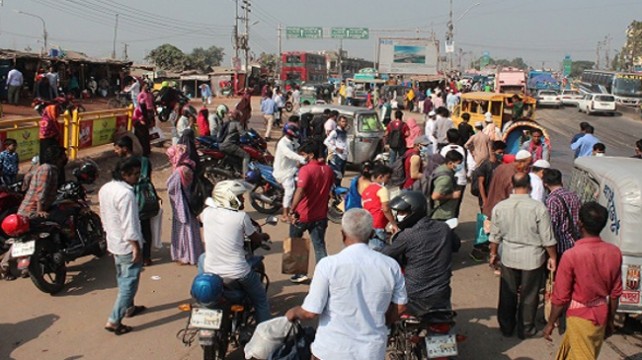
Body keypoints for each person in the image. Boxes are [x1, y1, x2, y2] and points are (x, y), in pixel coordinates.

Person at [286, 209, 407, 360]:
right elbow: (401, 306)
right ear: (371, 234)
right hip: (371, 352)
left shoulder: (328, 265)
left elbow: (311, 312)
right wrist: (379, 321)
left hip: (331, 351)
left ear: (343, 234)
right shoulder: (390, 266)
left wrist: (294, 312)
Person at [543, 202, 623, 359]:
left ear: (579, 223)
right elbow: (615, 293)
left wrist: (551, 322)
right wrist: (610, 320)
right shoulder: (614, 253)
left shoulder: (571, 255)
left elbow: (560, 297)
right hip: (601, 314)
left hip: (579, 317)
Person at [489, 172, 557, 339]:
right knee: (529, 295)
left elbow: (495, 235)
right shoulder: (538, 208)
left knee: (507, 293)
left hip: (509, 256)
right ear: (530, 186)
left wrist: (492, 254)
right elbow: (547, 238)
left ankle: (506, 326)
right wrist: (553, 257)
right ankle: (526, 328)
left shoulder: (500, 207)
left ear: (512, 185)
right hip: (532, 258)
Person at [200, 180, 270, 323]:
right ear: (228, 198)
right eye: (239, 197)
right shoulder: (241, 217)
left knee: (202, 257)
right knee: (261, 300)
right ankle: (265, 335)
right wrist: (263, 236)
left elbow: (200, 221)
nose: (243, 199)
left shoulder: (206, 213)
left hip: (212, 271)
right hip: (238, 273)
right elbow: (255, 238)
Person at [382, 191, 455, 316]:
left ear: (414, 211)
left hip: (414, 293)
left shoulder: (407, 235)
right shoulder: (444, 228)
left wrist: (370, 251)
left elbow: (385, 254)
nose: (399, 216)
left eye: (402, 212)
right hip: (442, 292)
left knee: (384, 308)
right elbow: (456, 244)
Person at [100, 157, 145, 336]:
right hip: (127, 244)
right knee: (129, 282)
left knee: (122, 276)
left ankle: (129, 307)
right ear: (124, 174)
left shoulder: (106, 188)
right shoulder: (126, 194)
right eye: (134, 174)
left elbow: (105, 215)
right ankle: (114, 320)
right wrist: (136, 246)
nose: (137, 177)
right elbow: (130, 223)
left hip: (114, 241)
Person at [288, 141, 334, 283]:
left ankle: (298, 274)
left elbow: (300, 190)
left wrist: (291, 209)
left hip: (303, 214)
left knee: (296, 243)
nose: (302, 157)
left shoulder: (306, 170)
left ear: (311, 155)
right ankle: (324, 275)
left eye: (304, 155)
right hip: (320, 215)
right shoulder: (328, 170)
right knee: (319, 245)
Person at [113, 136, 156, 267]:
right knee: (145, 227)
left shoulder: (122, 164)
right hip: (144, 198)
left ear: (125, 149)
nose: (115, 151)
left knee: (130, 226)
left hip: (130, 198)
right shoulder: (145, 161)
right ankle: (147, 257)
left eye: (117, 148)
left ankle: (134, 252)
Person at [166, 143, 203, 265]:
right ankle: (194, 253)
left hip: (182, 204)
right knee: (192, 229)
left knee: (183, 231)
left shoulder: (179, 171)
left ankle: (185, 255)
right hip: (191, 202)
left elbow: (171, 187)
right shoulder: (189, 165)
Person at [17, 145, 66, 218]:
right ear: (57, 157)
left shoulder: (52, 169)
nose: (65, 157)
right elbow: (41, 191)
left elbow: (28, 176)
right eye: (63, 155)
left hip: (38, 209)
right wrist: (39, 211)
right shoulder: (46, 169)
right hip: (30, 212)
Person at [482, 149, 532, 219]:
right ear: (522, 163)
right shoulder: (514, 175)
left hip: (491, 208)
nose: (529, 167)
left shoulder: (500, 167)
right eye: (528, 164)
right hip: (501, 213)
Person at [273, 123, 306, 223]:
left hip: (292, 168)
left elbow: (299, 148)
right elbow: (290, 154)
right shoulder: (282, 143)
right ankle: (285, 214)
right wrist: (302, 158)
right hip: (284, 172)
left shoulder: (292, 140)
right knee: (290, 190)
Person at [362, 165, 398, 249]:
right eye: (388, 177)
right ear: (380, 177)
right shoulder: (381, 189)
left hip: (368, 226)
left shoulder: (366, 190)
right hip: (378, 227)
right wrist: (394, 224)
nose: (388, 180)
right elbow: (385, 208)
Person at [439, 129, 473, 217]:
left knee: (445, 202)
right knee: (457, 203)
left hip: (447, 179)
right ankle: (454, 222)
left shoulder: (443, 150)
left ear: (447, 138)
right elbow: (469, 164)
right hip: (461, 180)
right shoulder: (464, 150)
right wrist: (468, 175)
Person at [431, 150, 464, 221]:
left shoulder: (442, 168)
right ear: (450, 163)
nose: (460, 166)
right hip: (442, 214)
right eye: (459, 163)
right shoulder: (445, 178)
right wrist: (452, 195)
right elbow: (435, 196)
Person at [219, 110, 250, 177]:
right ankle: (246, 174)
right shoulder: (236, 124)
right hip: (229, 145)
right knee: (246, 155)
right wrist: (249, 136)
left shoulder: (226, 123)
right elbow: (243, 133)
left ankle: (235, 170)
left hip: (221, 144)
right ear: (237, 117)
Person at [324, 115, 349, 187]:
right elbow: (326, 142)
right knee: (336, 176)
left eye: (345, 122)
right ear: (338, 122)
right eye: (343, 121)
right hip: (337, 156)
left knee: (341, 176)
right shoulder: (335, 132)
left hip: (344, 156)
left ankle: (337, 190)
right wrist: (336, 148)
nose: (344, 123)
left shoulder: (344, 132)